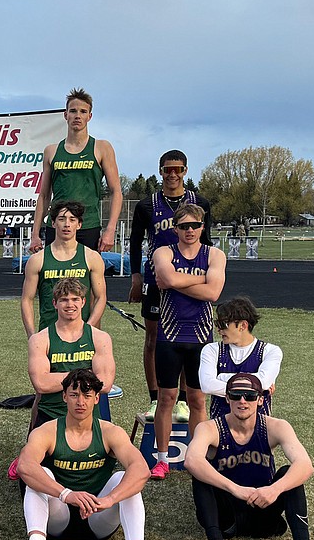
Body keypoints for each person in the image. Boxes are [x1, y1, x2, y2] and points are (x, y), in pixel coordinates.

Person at [184, 373, 314, 540]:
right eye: (236, 395)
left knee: (287, 474)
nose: (242, 401)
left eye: (249, 395)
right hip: (226, 517)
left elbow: (305, 465)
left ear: (261, 399)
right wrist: (235, 488)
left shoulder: (276, 426)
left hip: (263, 512)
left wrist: (274, 489)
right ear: (227, 399)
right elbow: (191, 460)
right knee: (201, 472)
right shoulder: (210, 428)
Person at [17, 369, 158, 540]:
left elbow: (141, 470)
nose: (80, 401)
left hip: (97, 516)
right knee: (39, 476)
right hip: (57, 515)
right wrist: (66, 494)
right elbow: (24, 466)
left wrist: (110, 500)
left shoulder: (110, 431)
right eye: (74, 395)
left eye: (87, 395)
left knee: (124, 478)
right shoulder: (48, 430)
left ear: (97, 398)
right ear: (64, 396)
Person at [128, 150, 214, 422]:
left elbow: (207, 241)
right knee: (154, 339)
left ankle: (185, 401)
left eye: (178, 169)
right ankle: (156, 398)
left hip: (193, 278)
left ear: (186, 171)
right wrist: (136, 277)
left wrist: (208, 274)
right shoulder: (146, 205)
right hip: (157, 281)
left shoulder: (200, 202)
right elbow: (134, 242)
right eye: (167, 169)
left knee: (190, 340)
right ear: (160, 171)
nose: (173, 174)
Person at [150, 203, 227, 479]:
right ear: (176, 229)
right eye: (184, 226)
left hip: (200, 336)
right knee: (166, 398)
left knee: (197, 399)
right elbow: (167, 277)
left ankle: (196, 458)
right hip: (169, 334)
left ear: (203, 227)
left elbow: (214, 293)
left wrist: (176, 282)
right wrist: (201, 280)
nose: (190, 230)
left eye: (195, 225)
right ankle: (161, 460)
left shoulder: (215, 254)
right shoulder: (163, 251)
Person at [29, 88, 122, 254]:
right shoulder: (51, 151)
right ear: (66, 115)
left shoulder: (102, 148)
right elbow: (44, 195)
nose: (77, 116)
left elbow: (116, 191)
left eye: (83, 111)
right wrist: (35, 234)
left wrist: (110, 230)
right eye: (73, 111)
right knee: (55, 277)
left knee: (88, 277)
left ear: (89, 116)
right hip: (57, 225)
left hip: (88, 225)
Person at [27, 277, 115, 431]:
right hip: (51, 416)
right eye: (64, 300)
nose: (70, 305)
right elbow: (41, 384)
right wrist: (87, 374)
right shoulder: (39, 339)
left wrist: (57, 377)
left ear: (83, 302)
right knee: (31, 453)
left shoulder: (100, 338)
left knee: (119, 444)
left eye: (75, 299)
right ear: (55, 304)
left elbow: (105, 384)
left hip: (89, 418)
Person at [20, 200, 106, 338]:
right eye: (61, 219)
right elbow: (26, 300)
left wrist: (88, 329)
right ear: (53, 223)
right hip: (48, 336)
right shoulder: (37, 260)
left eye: (72, 220)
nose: (67, 224)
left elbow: (101, 297)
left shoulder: (92, 257)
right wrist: (32, 336)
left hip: (82, 336)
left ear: (79, 225)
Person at [199, 296, 282, 418]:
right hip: (221, 426)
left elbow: (263, 382)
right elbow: (207, 385)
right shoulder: (211, 350)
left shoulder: (271, 351)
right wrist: (254, 386)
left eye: (223, 324)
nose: (218, 330)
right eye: (217, 323)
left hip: (258, 427)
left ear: (243, 325)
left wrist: (221, 377)